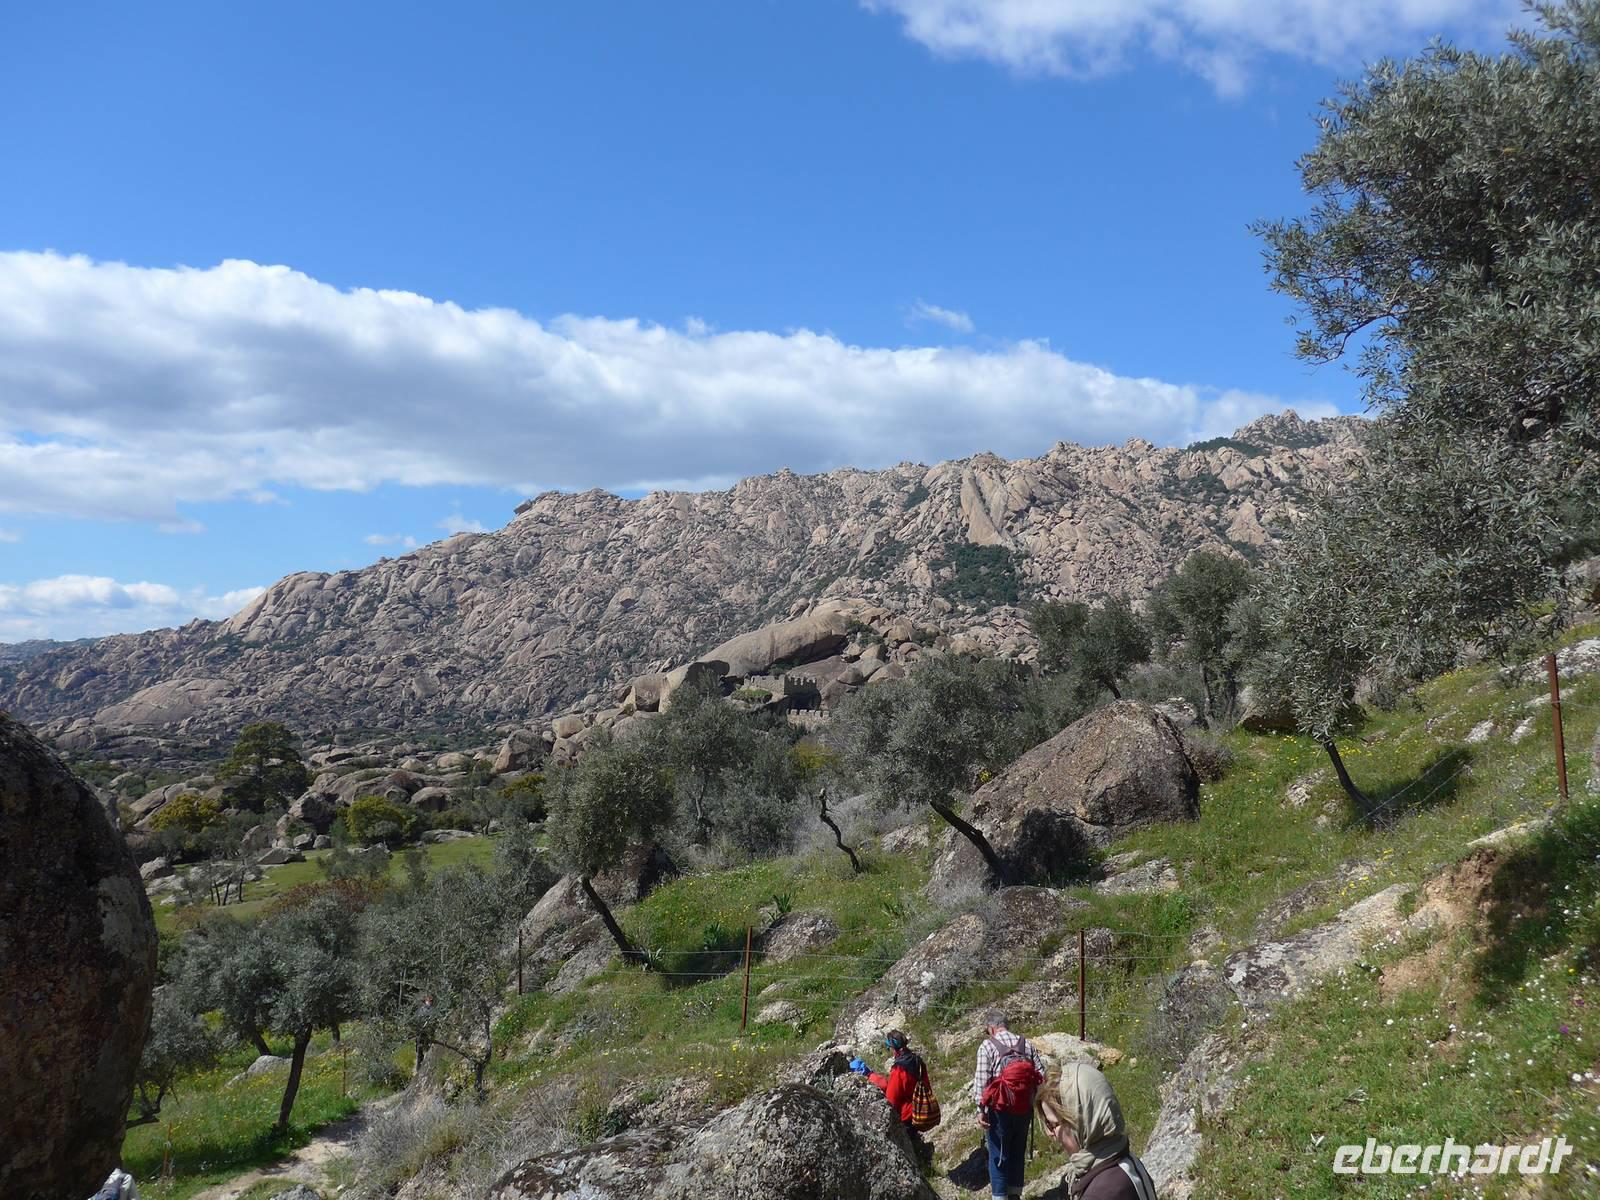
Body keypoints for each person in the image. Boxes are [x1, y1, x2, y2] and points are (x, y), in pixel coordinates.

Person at [1035, 1061, 1158, 1199]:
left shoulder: (1100, 1193)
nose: (1049, 1133)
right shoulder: (1124, 1159)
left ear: (1081, 1121)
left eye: (1053, 1125)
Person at [972, 1011, 1046, 1200]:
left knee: (998, 1155)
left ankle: (999, 1196)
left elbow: (981, 1081)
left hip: (1000, 1110)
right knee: (1017, 1151)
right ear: (1006, 1025)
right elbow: (1041, 1074)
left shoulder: (988, 1046)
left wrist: (980, 1110)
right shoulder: (1025, 1044)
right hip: (1024, 1108)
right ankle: (1015, 1195)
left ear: (991, 1028)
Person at [851, 1029, 935, 1162]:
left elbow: (891, 1099)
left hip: (906, 1116)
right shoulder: (917, 1060)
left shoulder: (899, 1069)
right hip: (917, 1109)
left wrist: (871, 1077)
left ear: (893, 1048)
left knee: (908, 1153)